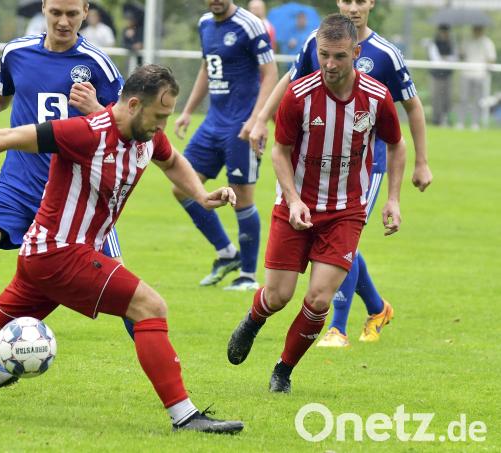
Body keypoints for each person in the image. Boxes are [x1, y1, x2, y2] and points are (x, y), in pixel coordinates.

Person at [0, 64, 244, 434]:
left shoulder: (148, 137)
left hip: (45, 257)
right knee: (150, 306)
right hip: (59, 253)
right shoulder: (84, 133)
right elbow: (7, 136)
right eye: (159, 115)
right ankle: (186, 417)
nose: (164, 124)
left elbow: (173, 161)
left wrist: (201, 194)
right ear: (133, 104)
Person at [0, 0, 125, 400]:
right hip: (15, 187)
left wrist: (96, 109)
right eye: (55, 11)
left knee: (126, 296)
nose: (62, 21)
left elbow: (125, 124)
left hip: (73, 200)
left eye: (72, 14)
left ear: (86, 12)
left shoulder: (99, 64)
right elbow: (1, 98)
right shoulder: (17, 52)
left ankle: (176, 391)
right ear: (44, 8)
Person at [227, 14, 406, 393]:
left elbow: (396, 143)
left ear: (356, 53)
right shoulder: (299, 95)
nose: (329, 64)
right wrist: (292, 200)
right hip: (296, 206)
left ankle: (283, 371)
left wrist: (392, 199)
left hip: (345, 211)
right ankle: (254, 319)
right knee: (278, 295)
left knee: (319, 298)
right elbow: (279, 152)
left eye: (339, 56)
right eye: (323, 55)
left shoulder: (376, 98)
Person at [248, 0, 433, 347]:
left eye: (360, 0)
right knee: (336, 249)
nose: (353, 7)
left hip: (368, 163)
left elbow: (412, 105)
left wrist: (421, 161)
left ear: (371, 4)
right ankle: (377, 307)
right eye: (347, 0)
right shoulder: (315, 43)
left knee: (344, 237)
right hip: (315, 164)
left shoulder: (386, 54)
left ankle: (339, 326)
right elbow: (290, 81)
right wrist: (260, 119)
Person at [172, 0, 277, 291]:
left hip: (241, 124)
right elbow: (208, 67)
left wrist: (257, 120)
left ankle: (247, 276)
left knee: (242, 198)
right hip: (213, 122)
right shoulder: (205, 23)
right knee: (181, 186)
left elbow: (271, 74)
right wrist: (187, 111)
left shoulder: (250, 24)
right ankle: (226, 253)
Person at [457, 25, 496, 131]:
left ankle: (475, 123)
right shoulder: (466, 40)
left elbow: (492, 59)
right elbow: (461, 56)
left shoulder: (488, 43)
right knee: (463, 99)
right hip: (466, 73)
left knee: (478, 101)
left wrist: (484, 65)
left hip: (480, 74)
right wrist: (460, 51)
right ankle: (460, 122)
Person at [427, 24, 456, 127]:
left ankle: (446, 119)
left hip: (447, 75)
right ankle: (436, 120)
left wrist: (446, 59)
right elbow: (436, 59)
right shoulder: (434, 43)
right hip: (436, 75)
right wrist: (446, 59)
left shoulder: (451, 44)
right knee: (436, 98)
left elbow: (453, 58)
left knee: (447, 98)